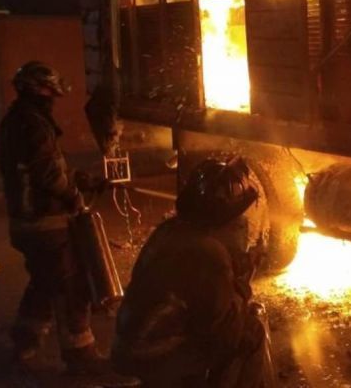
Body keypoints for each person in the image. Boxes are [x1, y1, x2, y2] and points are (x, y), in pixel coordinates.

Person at [111, 157, 275, 388]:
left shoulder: (170, 231)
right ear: (224, 218)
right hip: (158, 357)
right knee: (251, 329)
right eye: (239, 219)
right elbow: (223, 335)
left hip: (127, 347)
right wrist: (241, 286)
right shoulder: (210, 254)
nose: (243, 226)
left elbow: (189, 285)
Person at [0, 61, 113, 376]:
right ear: (39, 90)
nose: (53, 98)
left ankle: (25, 340)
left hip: (24, 221)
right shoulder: (34, 124)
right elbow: (47, 174)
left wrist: (81, 179)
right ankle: (81, 356)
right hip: (44, 222)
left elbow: (46, 168)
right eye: (50, 92)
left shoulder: (15, 121)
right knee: (71, 284)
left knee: (44, 282)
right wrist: (74, 196)